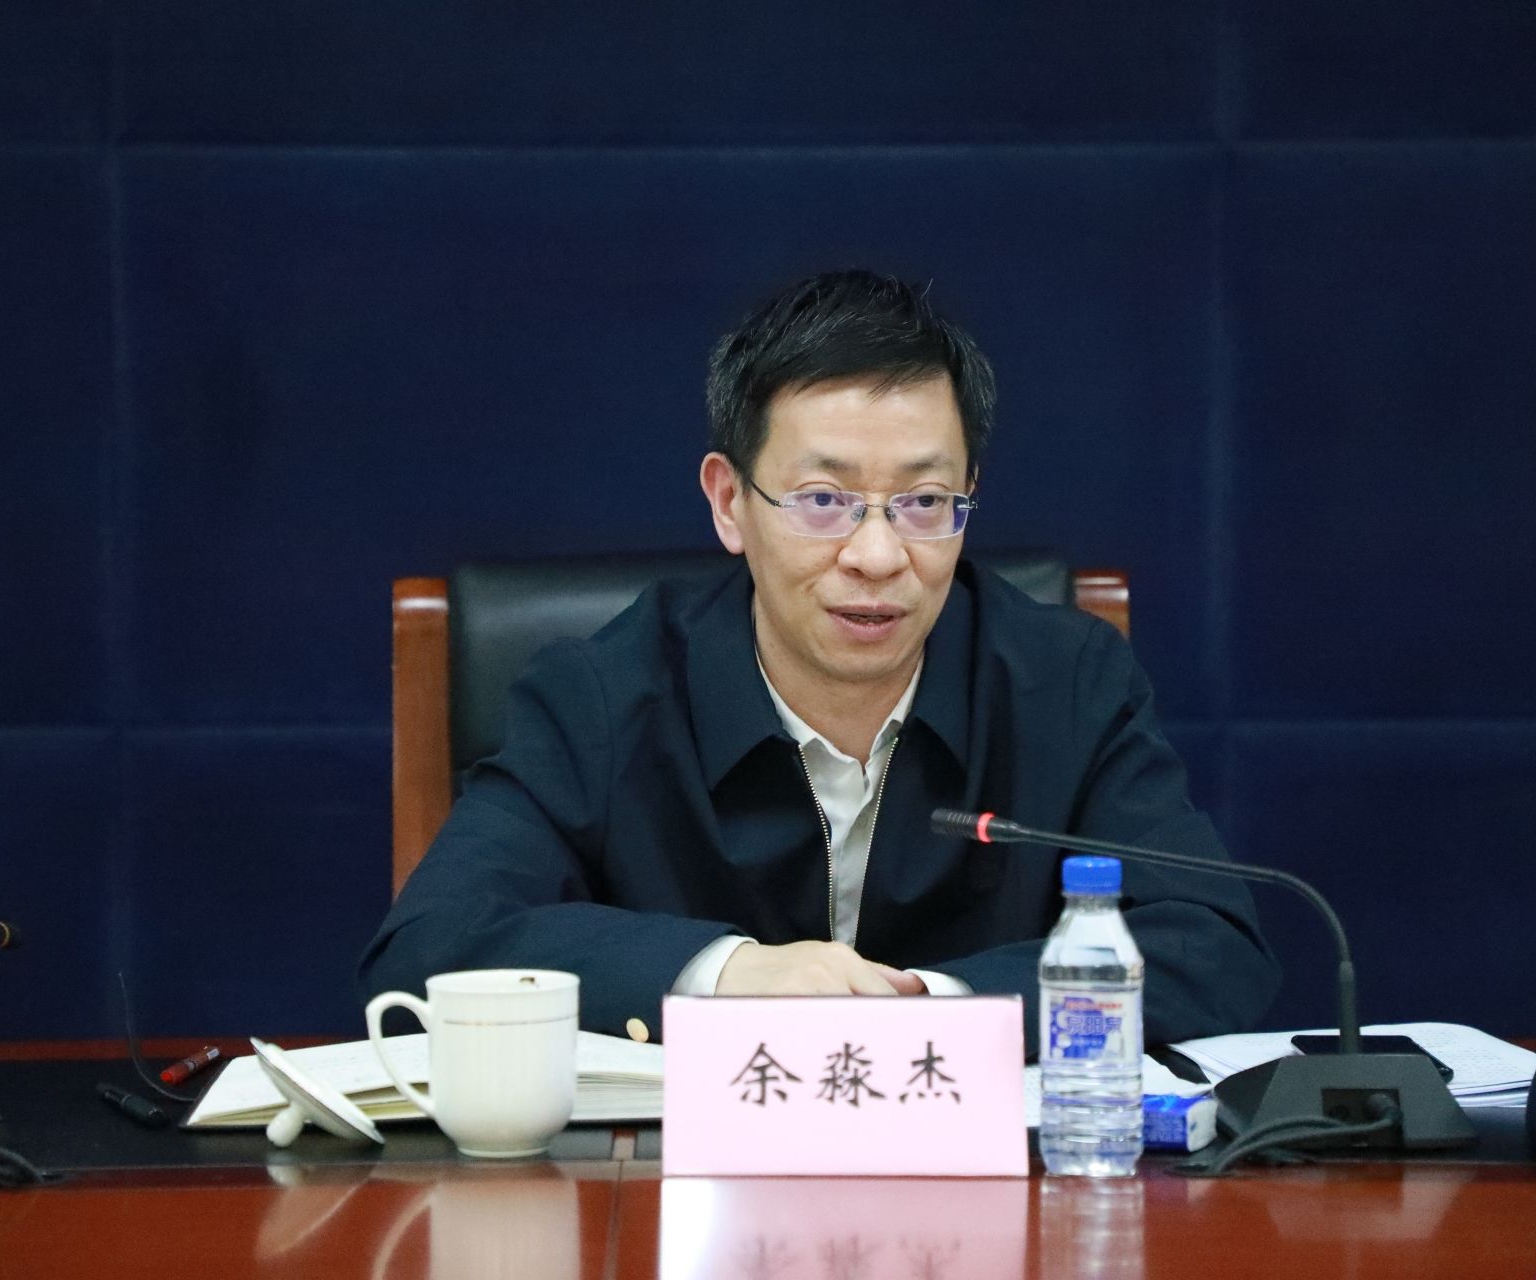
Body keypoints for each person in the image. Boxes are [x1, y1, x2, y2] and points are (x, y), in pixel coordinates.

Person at [361, 269, 1278, 1052]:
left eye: (924, 502)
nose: (877, 556)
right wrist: (729, 974)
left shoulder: (1066, 686)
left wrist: (933, 1010)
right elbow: (428, 950)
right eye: (824, 500)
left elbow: (1211, 947)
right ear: (730, 502)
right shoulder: (602, 696)